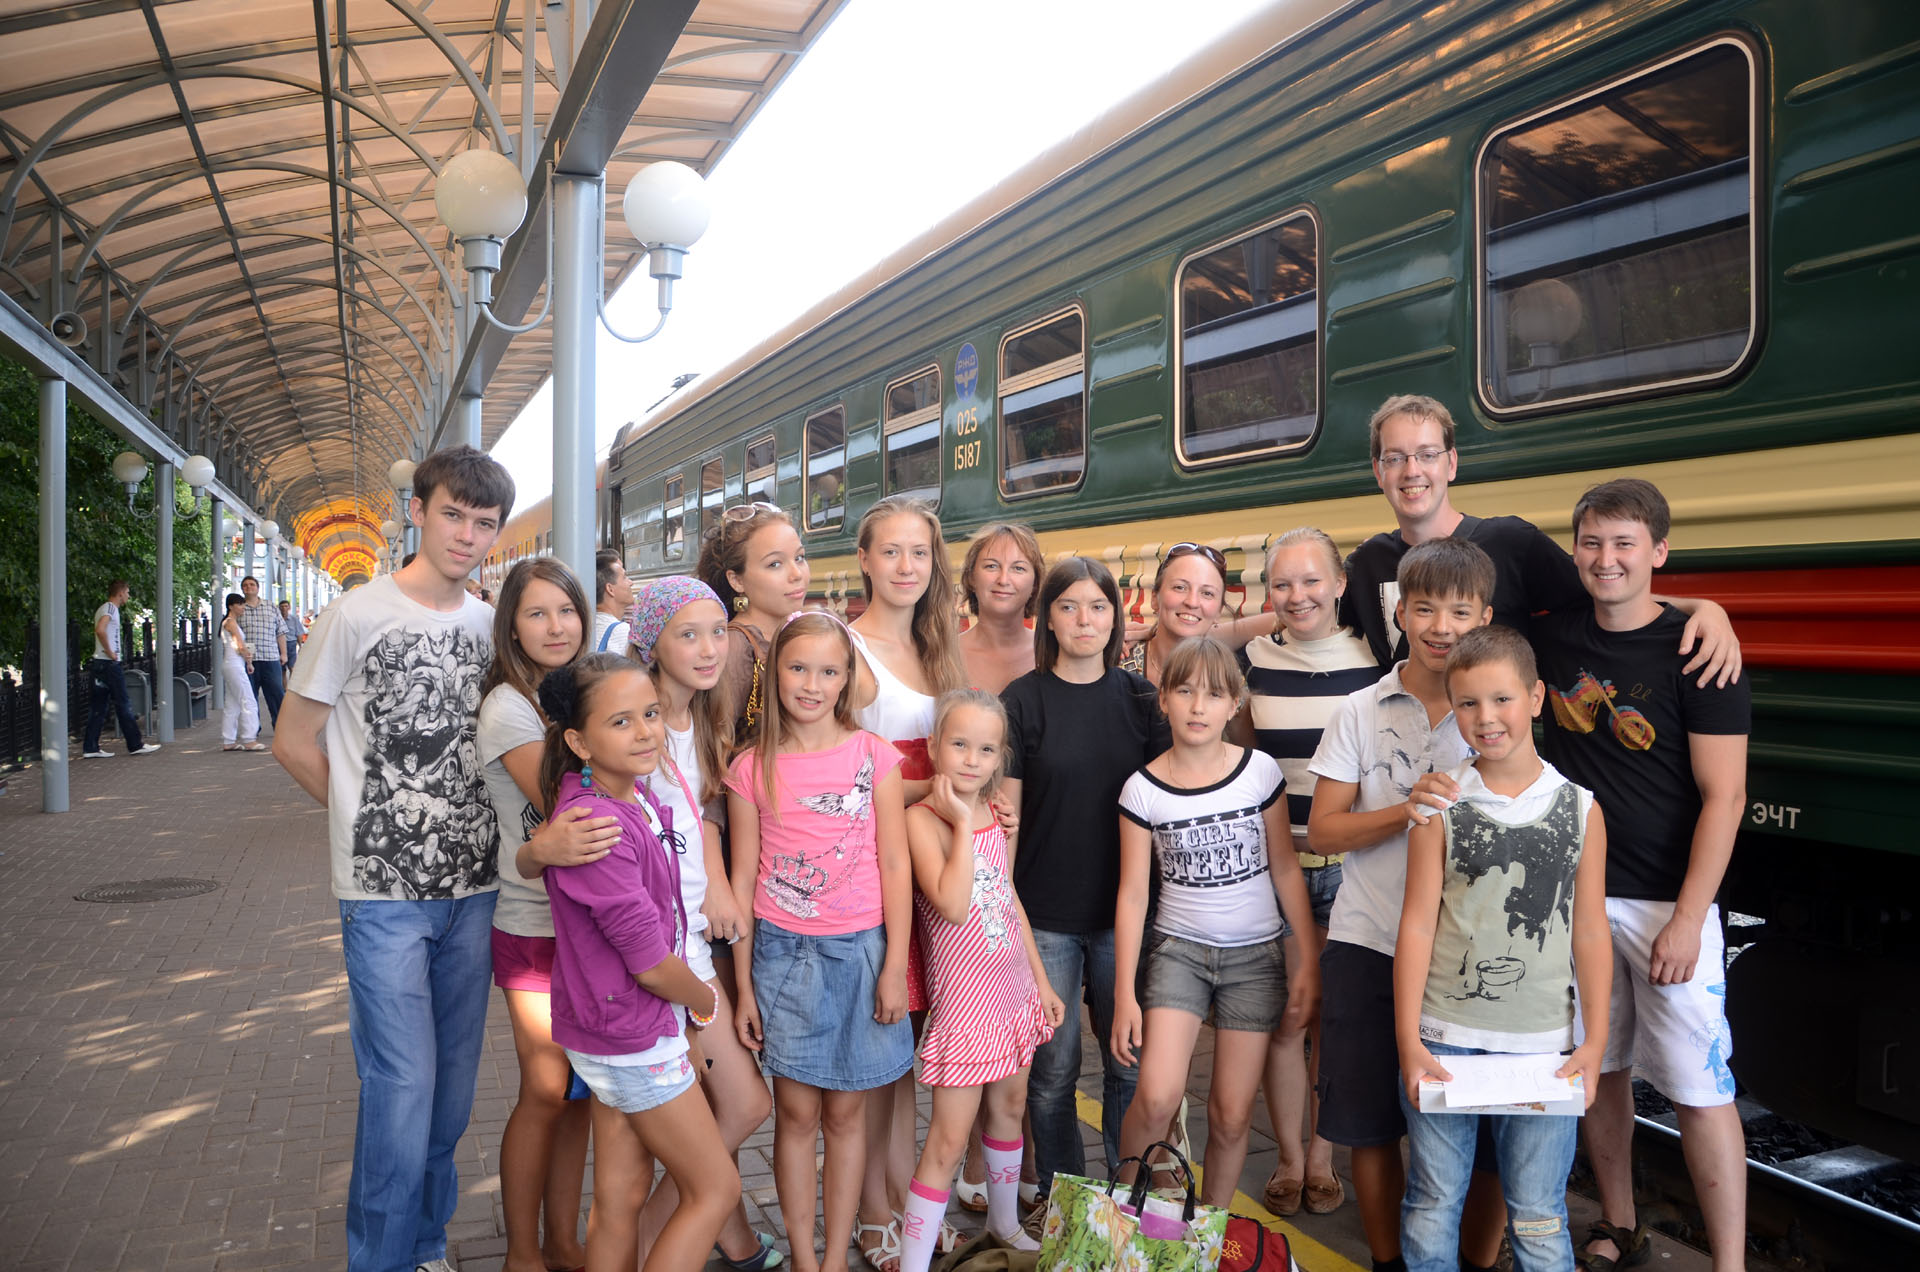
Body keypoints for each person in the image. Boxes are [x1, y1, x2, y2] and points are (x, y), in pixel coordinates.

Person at [274, 444, 515, 1272]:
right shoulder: (357, 614)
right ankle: (377, 1260)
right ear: (417, 510)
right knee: (401, 1089)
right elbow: (292, 739)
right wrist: (363, 822)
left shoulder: (492, 629)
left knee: (448, 1099)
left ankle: (426, 1246)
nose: (468, 535)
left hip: (476, 890)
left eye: (485, 524)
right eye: (454, 514)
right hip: (382, 899)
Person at [1532, 479, 1750, 1272]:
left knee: (1700, 1088)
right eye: (1592, 542)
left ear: (1658, 552)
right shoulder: (1552, 640)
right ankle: (1618, 1223)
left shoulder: (1698, 651)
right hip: (1575, 899)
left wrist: (1691, 918)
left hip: (1665, 903)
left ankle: (1728, 1263)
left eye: (1626, 544)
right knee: (1602, 1069)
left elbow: (1726, 798)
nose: (1606, 559)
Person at [1395, 625, 1611, 1272]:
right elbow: (1417, 926)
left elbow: (1590, 930)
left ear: (1538, 698)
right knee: (1433, 1202)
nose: (1485, 719)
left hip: (1546, 1048)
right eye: (1467, 704)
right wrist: (1410, 1040)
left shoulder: (1580, 809)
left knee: (1541, 1217)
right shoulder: (1440, 808)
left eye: (1502, 700)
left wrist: (1593, 1041)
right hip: (1445, 1042)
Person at [1307, 537, 1495, 1272]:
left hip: (1468, 954)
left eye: (1459, 610)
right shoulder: (1359, 710)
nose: (1441, 625)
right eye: (1425, 608)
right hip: (1367, 939)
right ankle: (1388, 1262)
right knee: (1369, 1122)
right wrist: (1407, 809)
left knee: (1479, 1123)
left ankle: (1478, 1262)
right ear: (1399, 612)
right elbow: (1323, 829)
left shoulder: (1495, 712)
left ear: (1485, 614)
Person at [536, 654, 741, 1272]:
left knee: (622, 1196)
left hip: (612, 1031)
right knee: (715, 1189)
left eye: (650, 714)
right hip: (635, 1037)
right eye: (622, 722)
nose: (647, 731)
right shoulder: (599, 824)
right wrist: (704, 1002)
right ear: (579, 741)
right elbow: (649, 962)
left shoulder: (608, 795)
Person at [726, 612, 915, 1272]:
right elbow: (744, 877)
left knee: (847, 1119)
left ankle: (836, 1259)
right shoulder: (752, 766)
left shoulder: (874, 757)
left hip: (861, 954)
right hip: (784, 957)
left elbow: (896, 863)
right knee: (797, 1117)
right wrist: (745, 984)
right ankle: (805, 1261)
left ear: (847, 679)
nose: (811, 684)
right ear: (774, 672)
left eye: (828, 671)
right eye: (797, 668)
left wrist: (895, 964)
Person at [1112, 636, 1322, 1209]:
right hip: (1179, 951)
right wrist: (1127, 995)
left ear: (1235, 704)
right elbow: (1133, 895)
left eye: (1213, 694)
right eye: (1184, 691)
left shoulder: (1259, 772)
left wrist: (1302, 956)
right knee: (1155, 1098)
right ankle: (1127, 1211)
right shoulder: (1142, 789)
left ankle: (1207, 1235)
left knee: (1231, 1117)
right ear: (1164, 701)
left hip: (1255, 958)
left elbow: (1284, 867)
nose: (1198, 706)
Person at [1340, 394, 1739, 687]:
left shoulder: (1513, 542)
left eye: (1427, 454)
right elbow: (1307, 614)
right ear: (1378, 471)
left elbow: (1606, 598)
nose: (1412, 470)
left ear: (1452, 464)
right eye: (1395, 458)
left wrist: (1702, 608)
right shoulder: (1368, 562)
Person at [627, 577, 783, 1271]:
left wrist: (719, 884)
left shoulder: (702, 720)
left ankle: (674, 1232)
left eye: (717, 632)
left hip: (694, 937)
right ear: (651, 643)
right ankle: (656, 1240)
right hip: (660, 953)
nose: (709, 648)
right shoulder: (640, 720)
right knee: (742, 1106)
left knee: (739, 1106)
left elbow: (705, 823)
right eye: (687, 634)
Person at [1000, 557, 1166, 1192]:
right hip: (1045, 916)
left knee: (1128, 1062)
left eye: (1098, 606)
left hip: (1125, 914)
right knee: (1054, 1071)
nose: (1084, 619)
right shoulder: (1023, 700)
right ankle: (1065, 1197)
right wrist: (1006, 914)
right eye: (1068, 606)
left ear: (1117, 617)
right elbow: (1009, 820)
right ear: (1046, 619)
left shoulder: (1141, 702)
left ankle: (1124, 1198)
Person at [478, 558, 624, 1272]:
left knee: (578, 1093)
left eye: (566, 611)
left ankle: (565, 1241)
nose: (555, 626)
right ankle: (522, 1251)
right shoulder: (510, 705)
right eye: (537, 614)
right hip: (534, 925)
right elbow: (567, 800)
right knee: (543, 1089)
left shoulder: (573, 698)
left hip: (589, 932)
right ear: (511, 625)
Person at [897, 690, 1064, 1272]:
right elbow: (953, 904)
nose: (971, 759)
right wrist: (964, 823)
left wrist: (1040, 981)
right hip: (965, 1007)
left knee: (1011, 1106)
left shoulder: (996, 811)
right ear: (934, 747)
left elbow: (1007, 898)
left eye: (986, 749)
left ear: (1000, 758)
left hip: (1011, 989)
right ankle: (915, 1262)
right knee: (946, 1141)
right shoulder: (922, 822)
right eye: (960, 744)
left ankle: (1002, 1222)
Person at [845, 497, 967, 1272]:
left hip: (941, 860)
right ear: (864, 560)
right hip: (883, 864)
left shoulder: (940, 646)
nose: (905, 567)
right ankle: (873, 1214)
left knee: (915, 1050)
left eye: (918, 553)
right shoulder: (846, 650)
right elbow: (851, 782)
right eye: (890, 552)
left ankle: (905, 1202)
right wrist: (938, 797)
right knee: (883, 1056)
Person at [1245, 528, 1380, 1216]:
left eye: (1309, 581)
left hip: (1357, 866)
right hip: (1282, 867)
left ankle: (1324, 1156)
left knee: (1335, 1018)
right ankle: (1289, 1159)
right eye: (1282, 584)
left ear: (1338, 585)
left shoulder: (1374, 655)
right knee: (1289, 1016)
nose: (1297, 596)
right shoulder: (1252, 658)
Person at [699, 502, 810, 747]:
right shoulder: (736, 646)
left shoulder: (790, 634)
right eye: (775, 564)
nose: (797, 574)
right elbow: (715, 745)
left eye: (800, 558)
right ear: (737, 580)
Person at [957, 523, 1044, 695]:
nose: (1004, 580)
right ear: (971, 577)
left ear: (1035, 584)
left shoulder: (1053, 655)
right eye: (991, 566)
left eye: (1018, 568)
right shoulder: (944, 655)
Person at [81, 578, 160, 758]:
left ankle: (90, 747)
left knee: (98, 707)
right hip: (108, 663)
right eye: (127, 592)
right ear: (120, 593)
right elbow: (101, 630)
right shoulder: (110, 608)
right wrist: (110, 652)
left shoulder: (104, 608)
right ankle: (135, 744)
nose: (128, 596)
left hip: (99, 663)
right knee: (123, 703)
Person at [237, 574, 288, 726]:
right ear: (242, 589)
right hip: (247, 661)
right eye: (245, 585)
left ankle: (280, 726)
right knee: (249, 696)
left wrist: (283, 653)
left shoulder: (271, 607)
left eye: (252, 584)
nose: (249, 587)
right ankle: (253, 728)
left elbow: (281, 632)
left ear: (258, 588)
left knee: (276, 693)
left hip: (270, 658)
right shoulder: (239, 609)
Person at [218, 592, 265, 753]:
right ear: (231, 606)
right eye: (240, 604)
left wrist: (247, 660)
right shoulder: (231, 622)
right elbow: (238, 643)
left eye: (243, 604)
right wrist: (247, 657)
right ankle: (249, 739)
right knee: (248, 700)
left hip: (231, 664)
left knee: (232, 704)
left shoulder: (228, 622)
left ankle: (229, 740)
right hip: (235, 665)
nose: (243, 607)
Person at [592, 550, 635, 653]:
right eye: (624, 577)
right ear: (610, 589)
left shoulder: (588, 626)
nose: (631, 582)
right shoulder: (622, 633)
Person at [279, 599, 306, 674]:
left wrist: (300, 646)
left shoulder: (294, 619)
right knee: (282, 670)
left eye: (286, 606)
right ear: (279, 608)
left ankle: (291, 685)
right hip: (279, 645)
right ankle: (284, 686)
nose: (284, 608)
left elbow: (299, 633)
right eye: (282, 606)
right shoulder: (277, 619)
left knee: (292, 667)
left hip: (291, 644)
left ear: (289, 607)